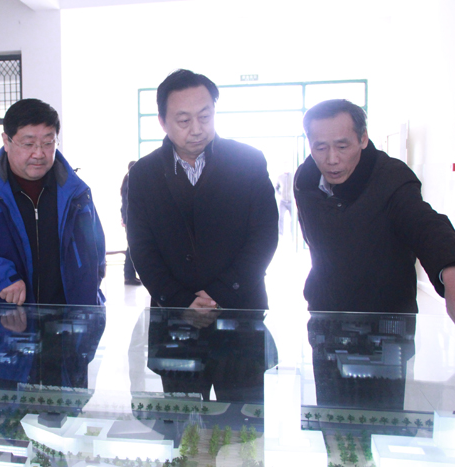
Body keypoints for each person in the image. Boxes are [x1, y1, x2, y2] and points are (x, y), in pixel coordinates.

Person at [127, 69, 279, 309]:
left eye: (205, 117)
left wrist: (220, 294)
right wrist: (180, 301)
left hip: (241, 307)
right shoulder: (143, 174)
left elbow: (264, 234)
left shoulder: (249, 161)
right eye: (184, 121)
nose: (197, 129)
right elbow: (141, 246)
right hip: (173, 313)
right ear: (162, 122)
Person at [295, 99, 455, 320]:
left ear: (363, 139)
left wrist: (450, 267)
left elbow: (425, 224)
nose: (332, 159)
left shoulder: (392, 177)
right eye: (320, 148)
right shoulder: (305, 181)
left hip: (387, 320)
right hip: (324, 313)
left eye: (342, 146)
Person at [0, 98, 106, 305]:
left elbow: (97, 255)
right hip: (3, 323)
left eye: (48, 143)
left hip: (69, 322)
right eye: (28, 144)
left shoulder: (76, 193)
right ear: (6, 141)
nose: (39, 153)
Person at [120, 161, 141, 286]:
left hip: (130, 219)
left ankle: (130, 275)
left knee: (132, 246)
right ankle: (129, 276)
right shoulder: (130, 182)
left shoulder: (128, 181)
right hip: (132, 219)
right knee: (132, 247)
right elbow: (128, 203)